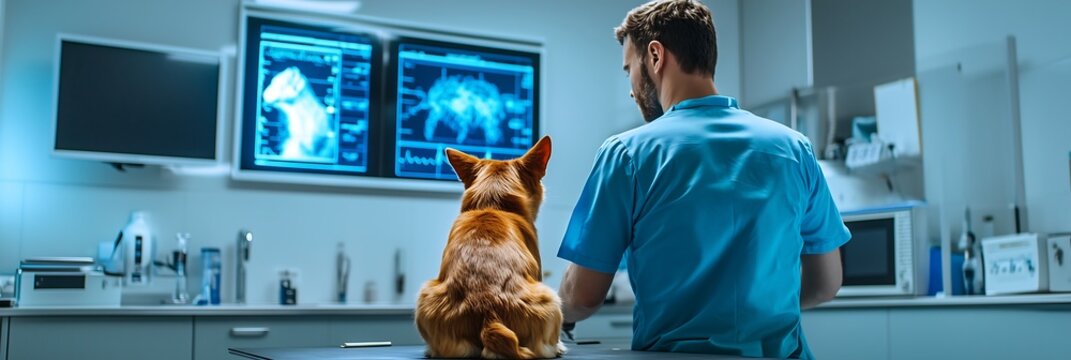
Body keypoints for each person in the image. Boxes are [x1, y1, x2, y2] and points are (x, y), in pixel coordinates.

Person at [555, 0, 850, 358]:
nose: (632, 88)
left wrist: (552, 311)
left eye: (629, 69)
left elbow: (583, 296)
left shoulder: (627, 154)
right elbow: (826, 284)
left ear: (655, 56)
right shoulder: (794, 149)